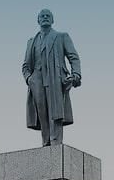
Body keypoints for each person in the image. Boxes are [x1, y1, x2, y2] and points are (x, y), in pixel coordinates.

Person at [23, 9, 81, 147]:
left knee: (55, 112)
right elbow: (25, 65)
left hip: (55, 78)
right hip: (37, 79)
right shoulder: (31, 42)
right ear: (38, 20)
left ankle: (55, 142)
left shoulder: (61, 36)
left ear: (52, 20)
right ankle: (46, 142)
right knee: (42, 112)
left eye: (48, 16)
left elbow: (73, 57)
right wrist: (29, 78)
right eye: (42, 16)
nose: (45, 17)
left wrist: (76, 74)